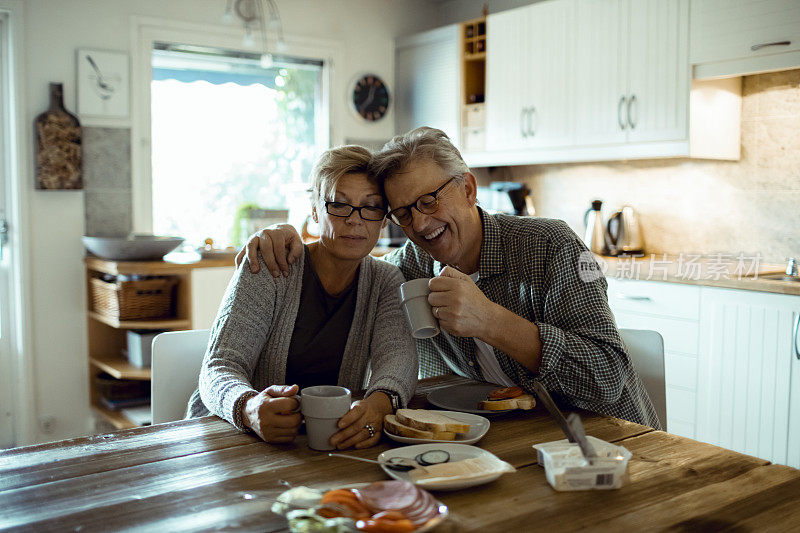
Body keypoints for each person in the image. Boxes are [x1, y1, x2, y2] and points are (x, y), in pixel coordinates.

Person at [236, 127, 660, 429]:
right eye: (403, 212)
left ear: (469, 189)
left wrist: (490, 319)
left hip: (612, 438)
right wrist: (278, 237)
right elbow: (348, 260)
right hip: (507, 438)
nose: (420, 224)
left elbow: (608, 379)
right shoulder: (408, 268)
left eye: (429, 200)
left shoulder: (550, 245)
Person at [187, 145, 418, 449]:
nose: (354, 219)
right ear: (314, 211)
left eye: (371, 206)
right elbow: (219, 366)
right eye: (339, 203)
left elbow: (398, 358)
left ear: (384, 219)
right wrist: (249, 407)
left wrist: (379, 405)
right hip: (233, 438)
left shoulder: (385, 281)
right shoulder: (271, 263)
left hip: (324, 445)